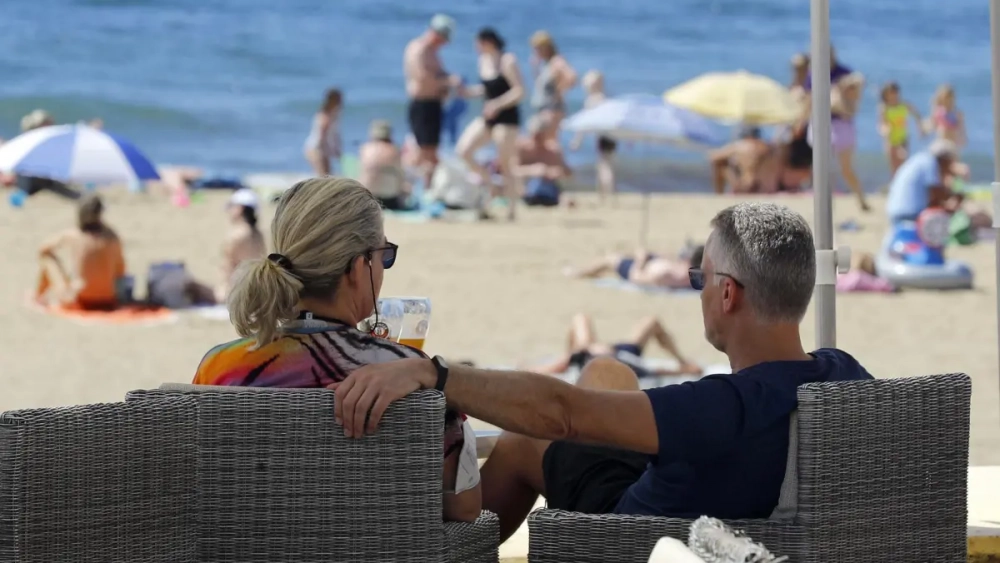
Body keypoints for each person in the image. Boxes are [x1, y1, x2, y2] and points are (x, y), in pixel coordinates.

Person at [331, 202, 873, 541]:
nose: (699, 290)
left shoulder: (720, 406)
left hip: (640, 538)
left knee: (524, 442)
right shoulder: (846, 377)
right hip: (724, 507)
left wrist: (435, 373)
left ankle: (456, 552)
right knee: (608, 371)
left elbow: (562, 415)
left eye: (699, 278)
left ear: (727, 294)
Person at [193, 177, 481, 523]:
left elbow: (199, 488)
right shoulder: (412, 376)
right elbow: (464, 508)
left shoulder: (220, 367)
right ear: (359, 269)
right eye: (383, 257)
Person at [454, 27, 525, 221]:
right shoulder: (482, 61)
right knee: (463, 151)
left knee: (505, 162)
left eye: (478, 43)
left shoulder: (507, 60)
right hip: (489, 117)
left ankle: (511, 210)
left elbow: (520, 91)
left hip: (508, 118)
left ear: (488, 42)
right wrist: (467, 92)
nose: (475, 47)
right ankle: (491, 184)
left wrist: (498, 104)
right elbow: (486, 90)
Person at [527, 313, 701, 378]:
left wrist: (530, 369)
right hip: (619, 354)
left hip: (599, 353)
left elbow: (552, 368)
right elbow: (654, 370)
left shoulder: (583, 354)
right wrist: (684, 370)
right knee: (651, 322)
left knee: (580, 319)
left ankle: (681, 359)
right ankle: (682, 360)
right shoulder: (625, 365)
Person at [35, 194, 126, 310]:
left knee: (47, 258)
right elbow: (121, 270)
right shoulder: (112, 236)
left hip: (81, 299)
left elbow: (43, 249)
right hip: (109, 298)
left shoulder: (75, 235)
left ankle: (38, 296)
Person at [404, 14, 460, 191]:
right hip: (422, 105)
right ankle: (409, 187)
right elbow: (422, 78)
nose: (444, 43)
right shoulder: (418, 49)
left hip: (434, 105)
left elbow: (439, 76)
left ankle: (427, 189)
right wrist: (448, 81)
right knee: (421, 151)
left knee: (432, 152)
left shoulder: (433, 53)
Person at [885, 139, 969, 227]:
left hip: (895, 212)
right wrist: (955, 196)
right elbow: (935, 197)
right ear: (944, 160)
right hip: (910, 214)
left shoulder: (921, 160)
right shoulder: (930, 163)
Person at [570, 70, 617, 203]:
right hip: (612, 135)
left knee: (603, 165)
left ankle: (605, 194)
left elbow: (584, 123)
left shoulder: (591, 100)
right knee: (608, 164)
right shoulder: (606, 99)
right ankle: (607, 193)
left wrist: (577, 140)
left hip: (603, 137)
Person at [567, 244, 704, 290]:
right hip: (651, 263)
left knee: (611, 259)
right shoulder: (687, 271)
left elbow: (636, 278)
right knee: (622, 256)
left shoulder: (668, 275)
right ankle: (588, 272)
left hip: (639, 269)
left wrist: (640, 261)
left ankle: (581, 273)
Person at [216, 188, 267, 303]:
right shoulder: (258, 234)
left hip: (237, 291)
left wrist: (222, 291)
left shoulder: (237, 235)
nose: (229, 211)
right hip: (257, 289)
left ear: (240, 209)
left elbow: (228, 266)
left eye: (231, 207)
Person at [528, 30, 577, 142]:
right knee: (543, 142)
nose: (535, 51)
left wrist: (559, 90)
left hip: (552, 109)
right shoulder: (546, 63)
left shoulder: (556, 61)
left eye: (537, 48)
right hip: (545, 109)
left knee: (548, 142)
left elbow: (572, 77)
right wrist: (535, 68)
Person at [516, 116, 572, 207]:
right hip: (525, 187)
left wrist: (555, 172)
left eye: (540, 136)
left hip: (549, 188)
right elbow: (510, 170)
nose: (537, 139)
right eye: (535, 135)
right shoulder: (522, 148)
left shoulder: (553, 150)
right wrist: (532, 170)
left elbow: (568, 172)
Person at [359, 120, 411, 211]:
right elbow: (401, 177)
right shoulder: (394, 150)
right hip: (389, 199)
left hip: (368, 196)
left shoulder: (365, 149)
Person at [877, 82, 925, 176]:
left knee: (903, 160)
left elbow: (917, 115)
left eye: (895, 92)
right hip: (890, 140)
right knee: (894, 167)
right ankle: (896, 186)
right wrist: (885, 130)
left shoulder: (904, 105)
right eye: (891, 93)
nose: (894, 95)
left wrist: (920, 128)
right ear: (886, 95)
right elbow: (881, 124)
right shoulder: (884, 108)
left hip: (903, 139)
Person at [303, 89, 343, 176]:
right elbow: (322, 138)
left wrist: (336, 149)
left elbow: (334, 136)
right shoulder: (324, 116)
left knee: (326, 176)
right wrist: (332, 151)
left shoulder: (331, 115)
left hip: (320, 149)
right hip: (316, 148)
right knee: (323, 176)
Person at [927, 84, 966, 150]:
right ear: (942, 99)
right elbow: (933, 125)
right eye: (947, 99)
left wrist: (962, 138)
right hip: (942, 143)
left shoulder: (957, 114)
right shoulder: (939, 113)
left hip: (953, 144)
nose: (949, 102)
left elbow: (962, 130)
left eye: (951, 99)